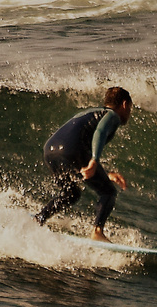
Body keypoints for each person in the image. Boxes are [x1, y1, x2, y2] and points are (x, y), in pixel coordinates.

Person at [34, 86, 132, 242]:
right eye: (130, 109)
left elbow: (79, 153)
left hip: (50, 150)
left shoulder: (89, 112)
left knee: (71, 193)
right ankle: (97, 232)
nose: (129, 113)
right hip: (72, 149)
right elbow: (100, 132)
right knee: (108, 192)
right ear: (125, 104)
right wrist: (94, 161)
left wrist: (104, 173)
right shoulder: (112, 115)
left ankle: (39, 218)